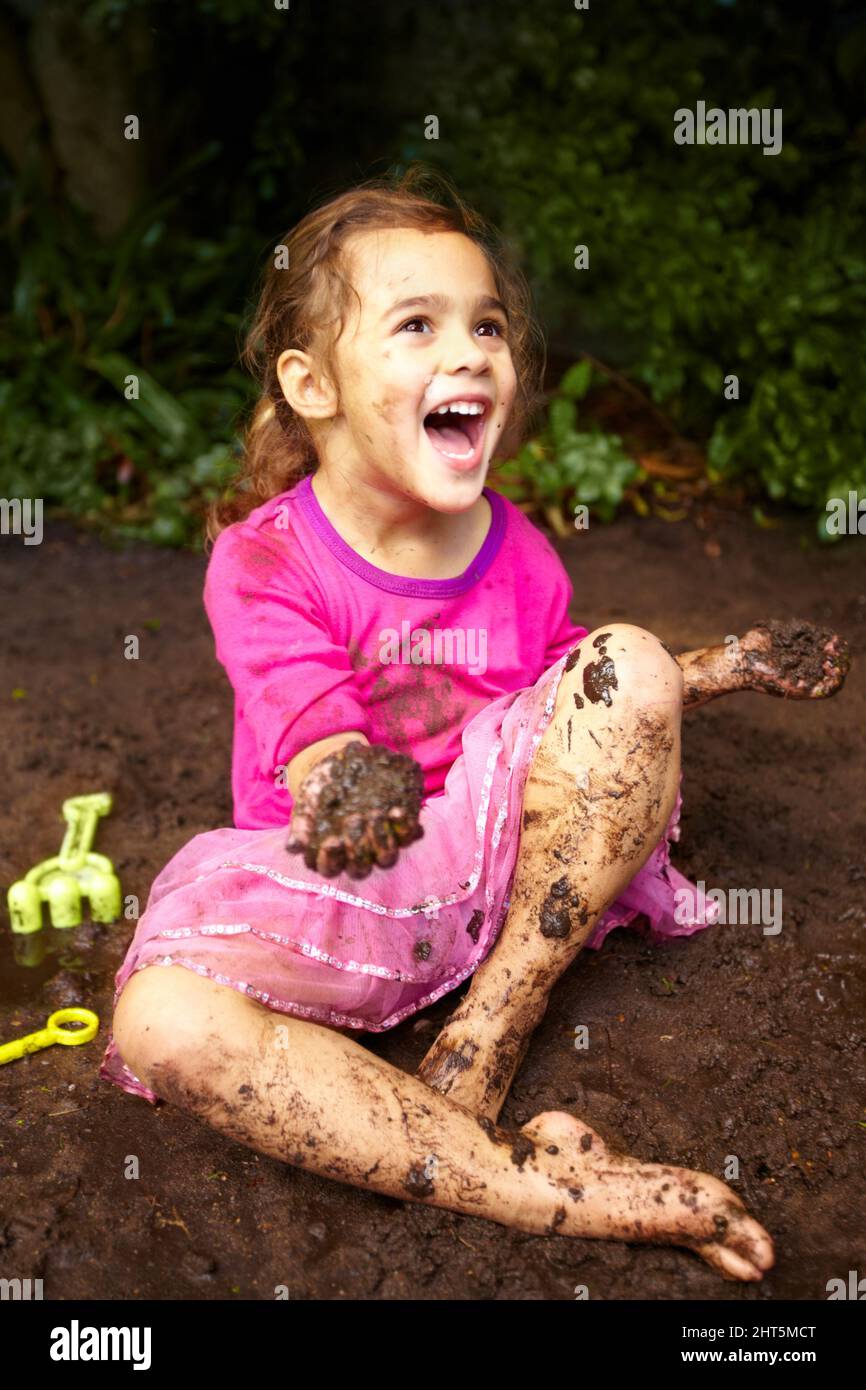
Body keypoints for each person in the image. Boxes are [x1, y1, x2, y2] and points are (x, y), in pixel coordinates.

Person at [101, 168, 849, 1282]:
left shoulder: (521, 551)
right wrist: (346, 784)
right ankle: (542, 1185)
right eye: (417, 324)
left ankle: (481, 1044)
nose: (471, 351)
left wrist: (717, 668)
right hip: (353, 891)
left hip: (512, 886)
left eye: (486, 324)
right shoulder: (262, 560)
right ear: (311, 385)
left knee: (628, 655)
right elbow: (310, 730)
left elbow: (573, 704)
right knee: (158, 1019)